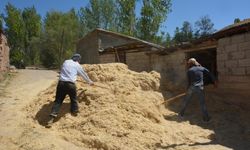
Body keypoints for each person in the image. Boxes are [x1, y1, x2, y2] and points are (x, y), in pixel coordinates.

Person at [48, 53, 94, 122]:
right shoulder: (77, 65)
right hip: (70, 85)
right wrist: (90, 82)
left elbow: (62, 69)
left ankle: (52, 116)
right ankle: (75, 112)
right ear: (78, 60)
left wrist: (64, 75)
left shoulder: (66, 61)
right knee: (73, 99)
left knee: (58, 100)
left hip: (61, 83)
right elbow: (83, 74)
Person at [179, 58, 217, 122]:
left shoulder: (189, 70)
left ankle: (181, 114)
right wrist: (215, 83)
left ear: (190, 64)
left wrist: (187, 90)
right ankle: (206, 119)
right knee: (202, 103)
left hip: (191, 87)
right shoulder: (202, 68)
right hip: (199, 87)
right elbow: (210, 74)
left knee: (186, 101)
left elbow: (189, 82)